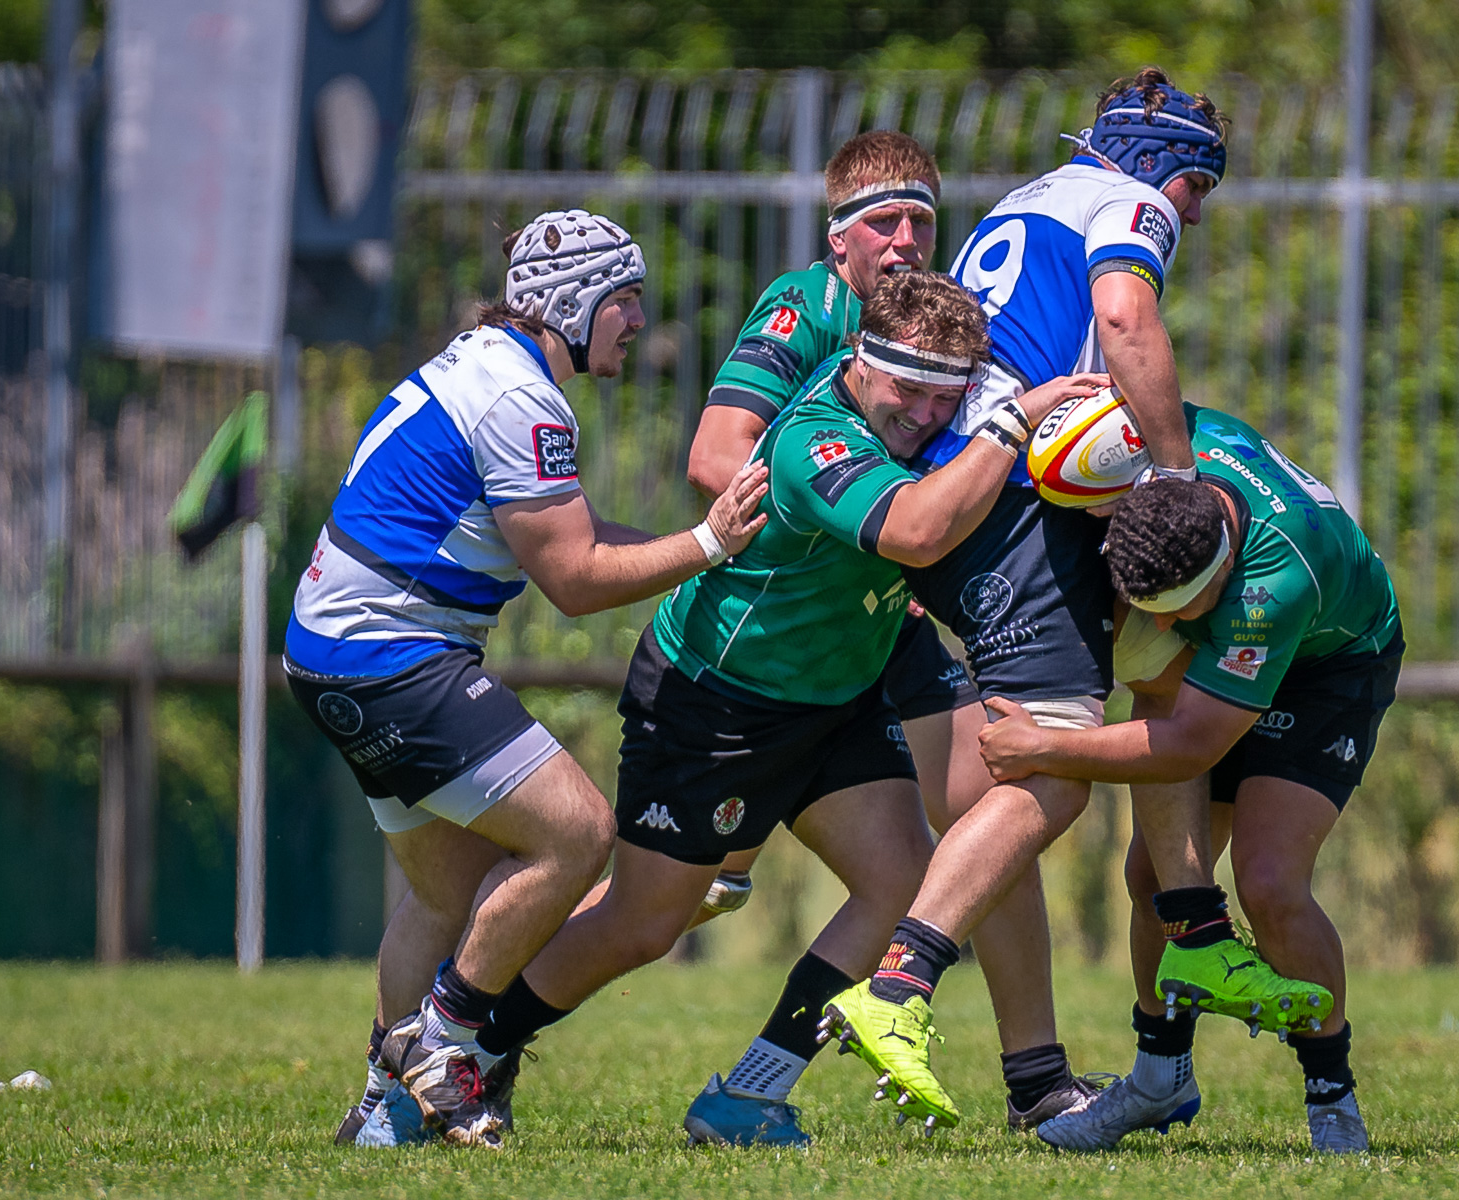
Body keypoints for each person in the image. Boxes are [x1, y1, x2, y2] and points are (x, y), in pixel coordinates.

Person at [466, 273, 1116, 1146]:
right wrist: (1010, 422)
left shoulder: (918, 411)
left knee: (900, 880)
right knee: (643, 924)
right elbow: (917, 531)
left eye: (945, 398)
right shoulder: (815, 438)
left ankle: (749, 1095)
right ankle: (473, 1046)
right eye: (908, 390)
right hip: (718, 703)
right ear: (860, 361)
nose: (926, 415)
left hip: (839, 696)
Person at [818, 67, 1327, 1133]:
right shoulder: (1130, 202)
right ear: (1159, 166)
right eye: (1197, 188)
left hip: (989, 488)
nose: (1194, 214)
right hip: (1003, 505)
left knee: (1158, 662)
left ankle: (1196, 931)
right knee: (1052, 774)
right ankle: (898, 985)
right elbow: (1124, 315)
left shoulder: (1030, 198)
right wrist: (1177, 473)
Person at [599, 129, 1105, 1131]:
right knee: (646, 912)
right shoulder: (805, 308)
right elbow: (715, 459)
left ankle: (1036, 1080)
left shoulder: (944, 310)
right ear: (838, 236)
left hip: (883, 611)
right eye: (884, 220)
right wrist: (862, 527)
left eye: (922, 219)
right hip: (799, 620)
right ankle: (468, 1020)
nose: (906, 239)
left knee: (996, 812)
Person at [284, 208, 768, 1148]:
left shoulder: (485, 364)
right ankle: (443, 1047)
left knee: (450, 895)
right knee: (578, 833)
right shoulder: (524, 401)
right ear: (573, 303)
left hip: (331, 648)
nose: (638, 321)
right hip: (391, 652)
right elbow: (575, 580)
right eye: (625, 299)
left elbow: (573, 533)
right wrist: (709, 542)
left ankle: (383, 1112)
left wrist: (705, 556)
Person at [977, 403, 1404, 1154]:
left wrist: (1042, 746)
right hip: (1232, 652)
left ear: (1223, 570)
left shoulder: (1271, 583)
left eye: (1180, 610)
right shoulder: (1156, 455)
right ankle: (1160, 1077)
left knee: (1269, 884)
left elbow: (1183, 746)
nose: (1167, 625)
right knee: (1153, 878)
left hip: (1328, 668)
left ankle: (1332, 1096)